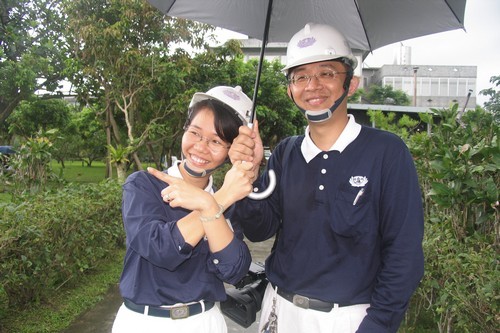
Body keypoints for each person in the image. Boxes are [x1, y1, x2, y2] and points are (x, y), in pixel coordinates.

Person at [228, 23, 424, 333]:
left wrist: (378, 325)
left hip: (347, 320)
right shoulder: (286, 152)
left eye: (327, 73)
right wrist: (247, 176)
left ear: (352, 82)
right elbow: (260, 228)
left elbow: (404, 253)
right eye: (301, 76)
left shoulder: (387, 151)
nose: (313, 85)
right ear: (290, 89)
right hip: (279, 310)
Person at [112, 86, 256, 333]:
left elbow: (234, 270)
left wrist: (213, 201)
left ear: (230, 151)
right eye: (195, 133)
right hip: (142, 323)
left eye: (216, 141)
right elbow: (161, 248)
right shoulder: (143, 185)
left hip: (204, 322)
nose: (200, 147)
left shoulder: (230, 201)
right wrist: (217, 200)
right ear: (185, 130)